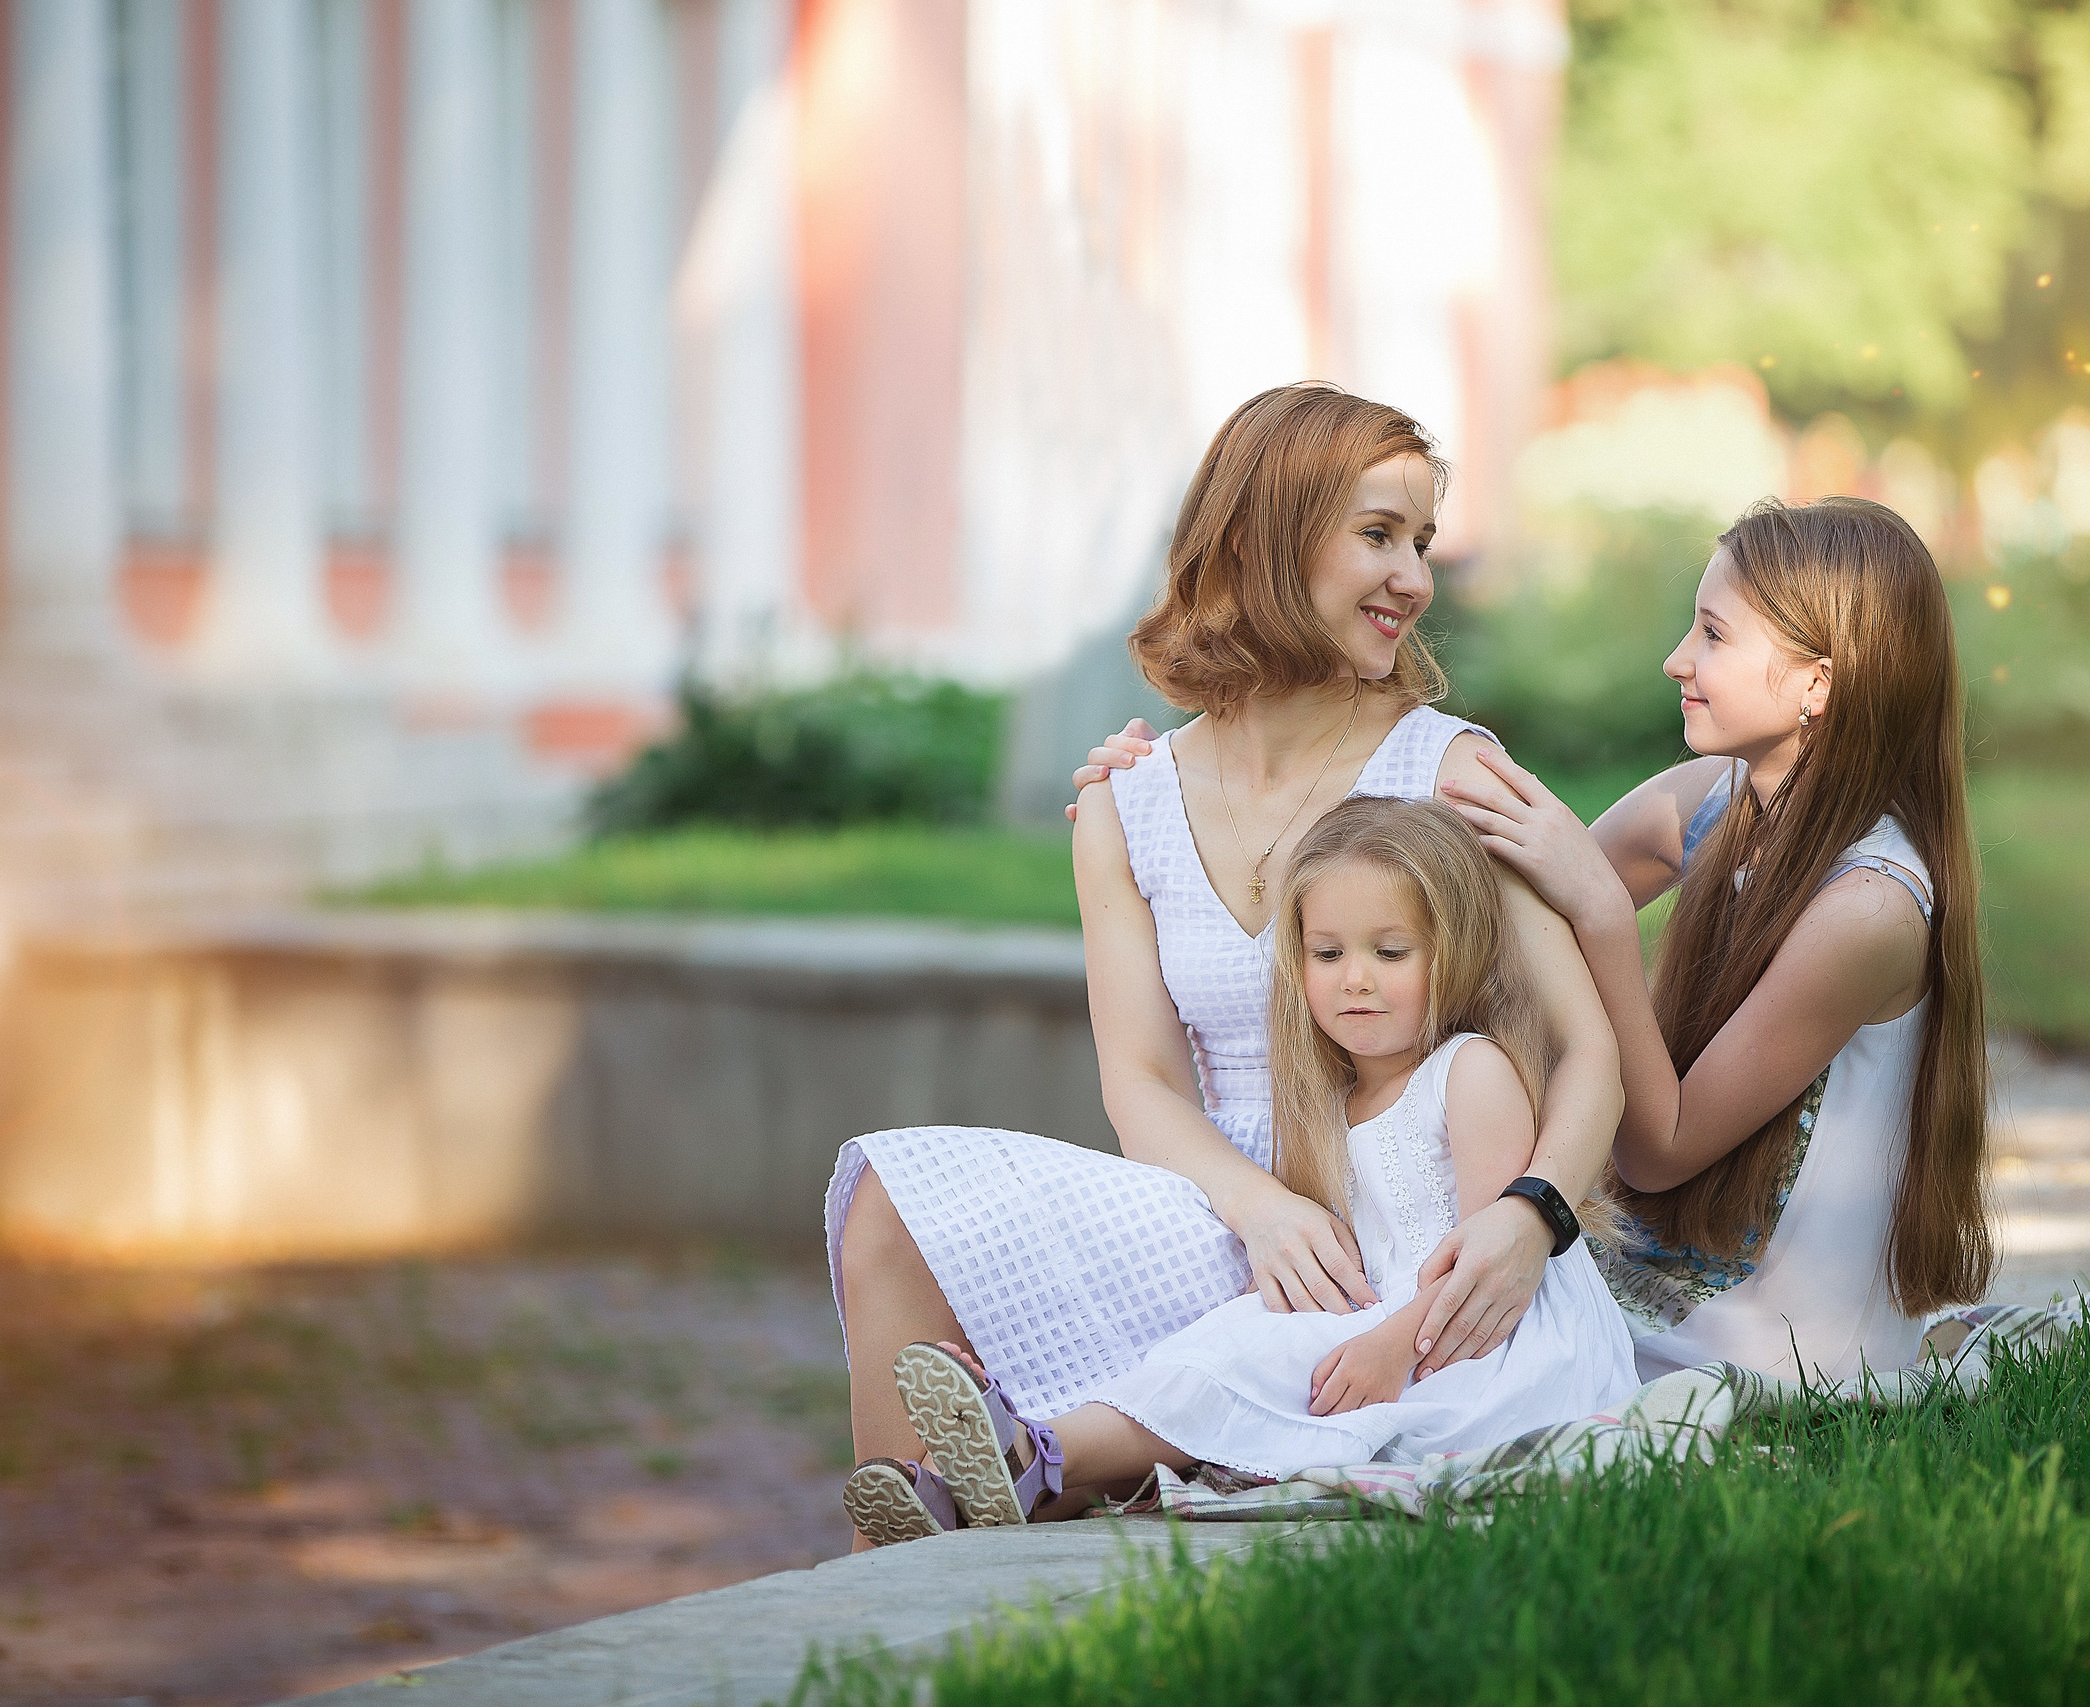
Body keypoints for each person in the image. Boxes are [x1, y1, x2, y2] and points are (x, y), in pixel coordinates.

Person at [829, 384, 1623, 1545]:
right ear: (1264, 539)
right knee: (887, 1199)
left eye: (1420, 542)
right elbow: (1140, 1084)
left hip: (1392, 1232)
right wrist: (1254, 1207)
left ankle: (1011, 1490)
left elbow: (1586, 1046)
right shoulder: (1127, 803)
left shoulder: (1443, 771)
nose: (1414, 578)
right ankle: (891, 1572)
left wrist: (1529, 1217)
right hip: (1219, 1214)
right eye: (1377, 536)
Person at [1078, 495, 1991, 1390]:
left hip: (1767, 1339)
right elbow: (1495, 946)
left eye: (1713, 635)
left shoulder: (1870, 910)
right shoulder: (1711, 800)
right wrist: (1171, 780)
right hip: (1659, 1278)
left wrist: (1602, 914)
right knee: (1355, 1319)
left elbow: (1660, 1146)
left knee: (1398, 1348)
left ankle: (1069, 1445)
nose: (1678, 659)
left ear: (1817, 683)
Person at [845, 798, 1639, 1541]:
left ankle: (1034, 1454)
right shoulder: (1338, 1098)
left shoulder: (1471, 1071)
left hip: (1479, 1338)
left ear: (1455, 950)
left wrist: (1391, 1345)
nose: (1354, 976)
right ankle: (1001, 1477)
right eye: (1327, 953)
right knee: (1229, 1339)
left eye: (1389, 951)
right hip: (1398, 1321)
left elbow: (1488, 1266)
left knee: (1251, 1353)